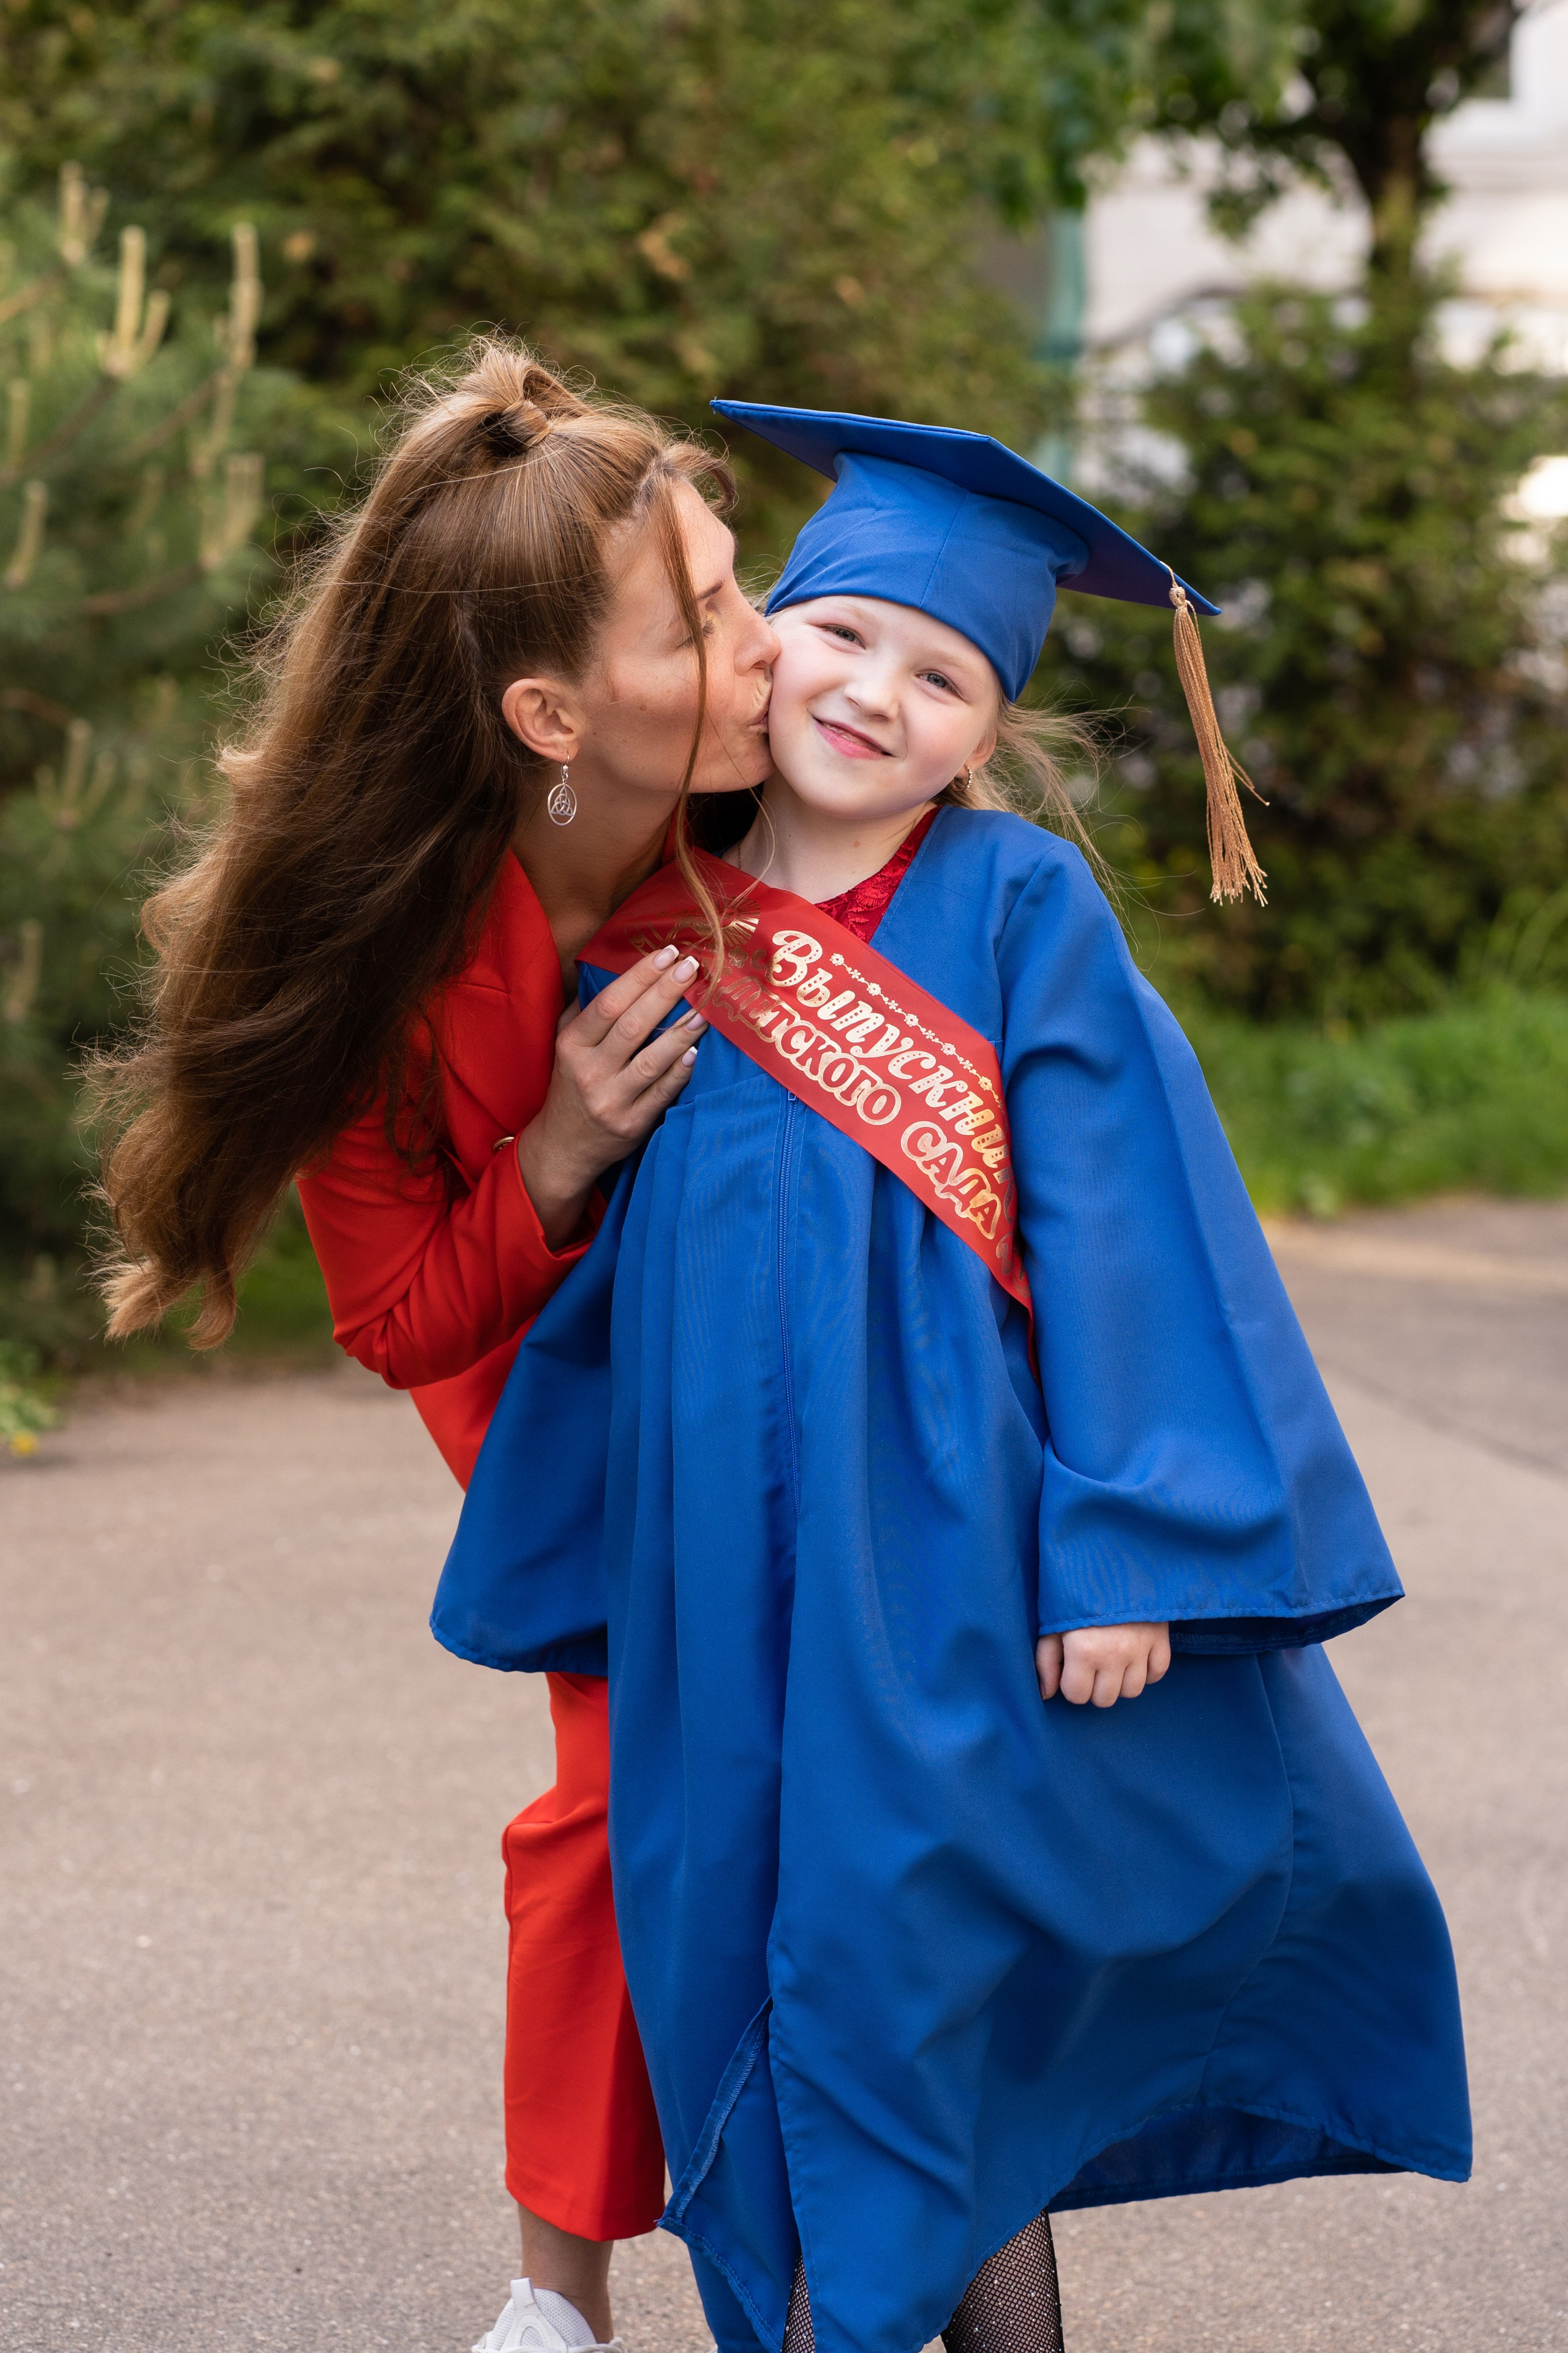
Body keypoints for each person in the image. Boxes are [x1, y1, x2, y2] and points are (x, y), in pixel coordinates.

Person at [434, 406, 1472, 2353]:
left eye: (946, 674)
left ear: (988, 731)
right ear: (774, 648)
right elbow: (616, 1267)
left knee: (910, 1984)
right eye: (842, 638)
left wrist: (1130, 1542)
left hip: (947, 1559)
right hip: (730, 1584)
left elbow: (1130, 1226)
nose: (878, 694)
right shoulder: (673, 909)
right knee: (755, 1965)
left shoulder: (1020, 913)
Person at [90, 338, 779, 2353]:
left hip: (794, 1381)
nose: (768, 638)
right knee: (609, 1799)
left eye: (743, 579)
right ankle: (556, 2294)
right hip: (561, 1436)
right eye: (709, 614)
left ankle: (869, 2220)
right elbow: (402, 1323)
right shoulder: (381, 963)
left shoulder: (760, 822)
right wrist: (555, 1152)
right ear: (554, 714)